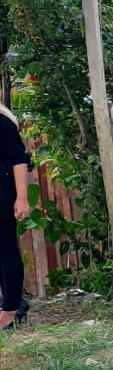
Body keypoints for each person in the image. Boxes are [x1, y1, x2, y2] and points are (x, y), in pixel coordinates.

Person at [0, 102, 32, 330]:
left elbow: (19, 160)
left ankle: (12, 309)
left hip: (1, 193)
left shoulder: (2, 122)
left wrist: (22, 198)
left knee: (5, 249)